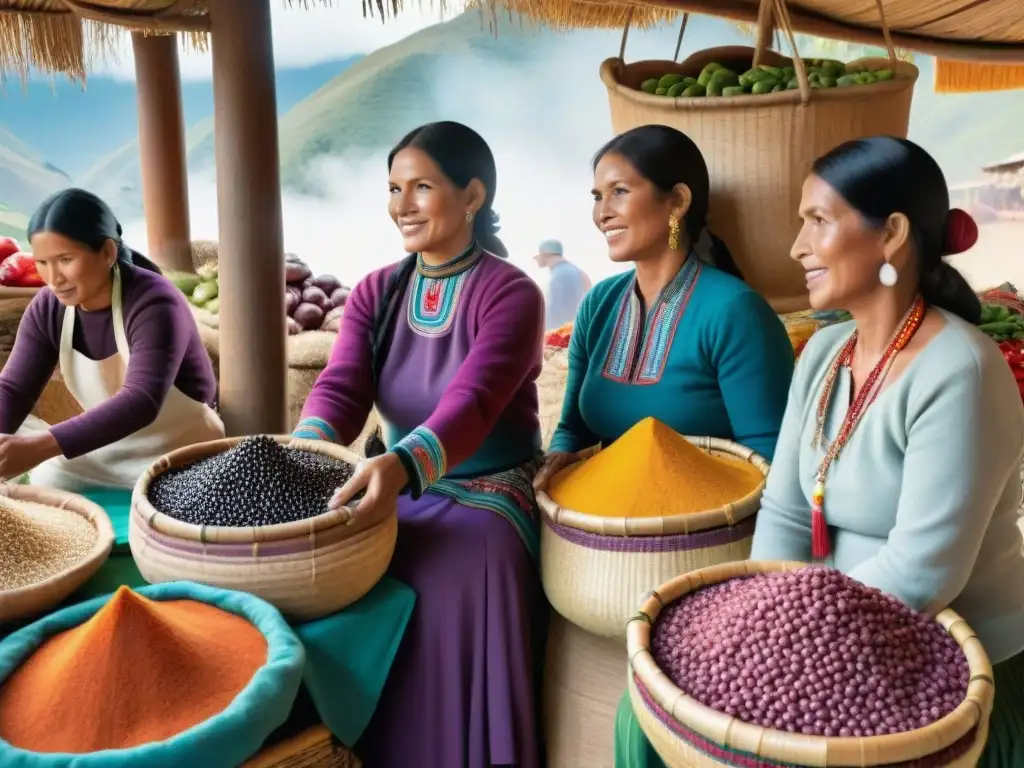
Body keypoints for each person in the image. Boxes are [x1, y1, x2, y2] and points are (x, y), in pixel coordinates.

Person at [748, 136, 1024, 768]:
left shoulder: (960, 371)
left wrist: (795, 639)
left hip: (950, 672)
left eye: (817, 220)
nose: (797, 246)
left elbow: (922, 574)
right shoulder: (824, 352)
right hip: (837, 645)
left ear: (891, 233)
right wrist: (763, 617)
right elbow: (788, 512)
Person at [531, 125, 795, 767]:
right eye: (596, 195)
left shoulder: (735, 311)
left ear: (677, 201)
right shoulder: (598, 305)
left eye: (620, 191)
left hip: (706, 554)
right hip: (597, 550)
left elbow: (770, 463)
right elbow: (574, 429)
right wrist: (552, 470)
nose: (601, 212)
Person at [293, 121, 545, 768]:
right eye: (393, 187)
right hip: (394, 478)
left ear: (472, 196)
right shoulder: (378, 289)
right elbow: (342, 386)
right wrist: (304, 453)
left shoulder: (511, 292)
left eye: (422, 186)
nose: (402, 204)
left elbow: (477, 400)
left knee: (459, 559)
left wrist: (403, 466)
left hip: (489, 491)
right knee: (335, 561)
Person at [0, 188, 223, 492]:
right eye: (42, 263)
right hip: (106, 447)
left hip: (180, 449)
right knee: (47, 480)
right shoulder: (48, 306)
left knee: (170, 503)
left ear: (107, 252)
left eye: (65, 259)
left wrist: (40, 447)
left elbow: (142, 400)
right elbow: (14, 389)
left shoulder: (154, 301)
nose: (53, 278)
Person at [534, 238, 591, 329]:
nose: (536, 259)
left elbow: (557, 313)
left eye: (538, 256)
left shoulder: (559, 275)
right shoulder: (577, 271)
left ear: (545, 255)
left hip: (562, 335)